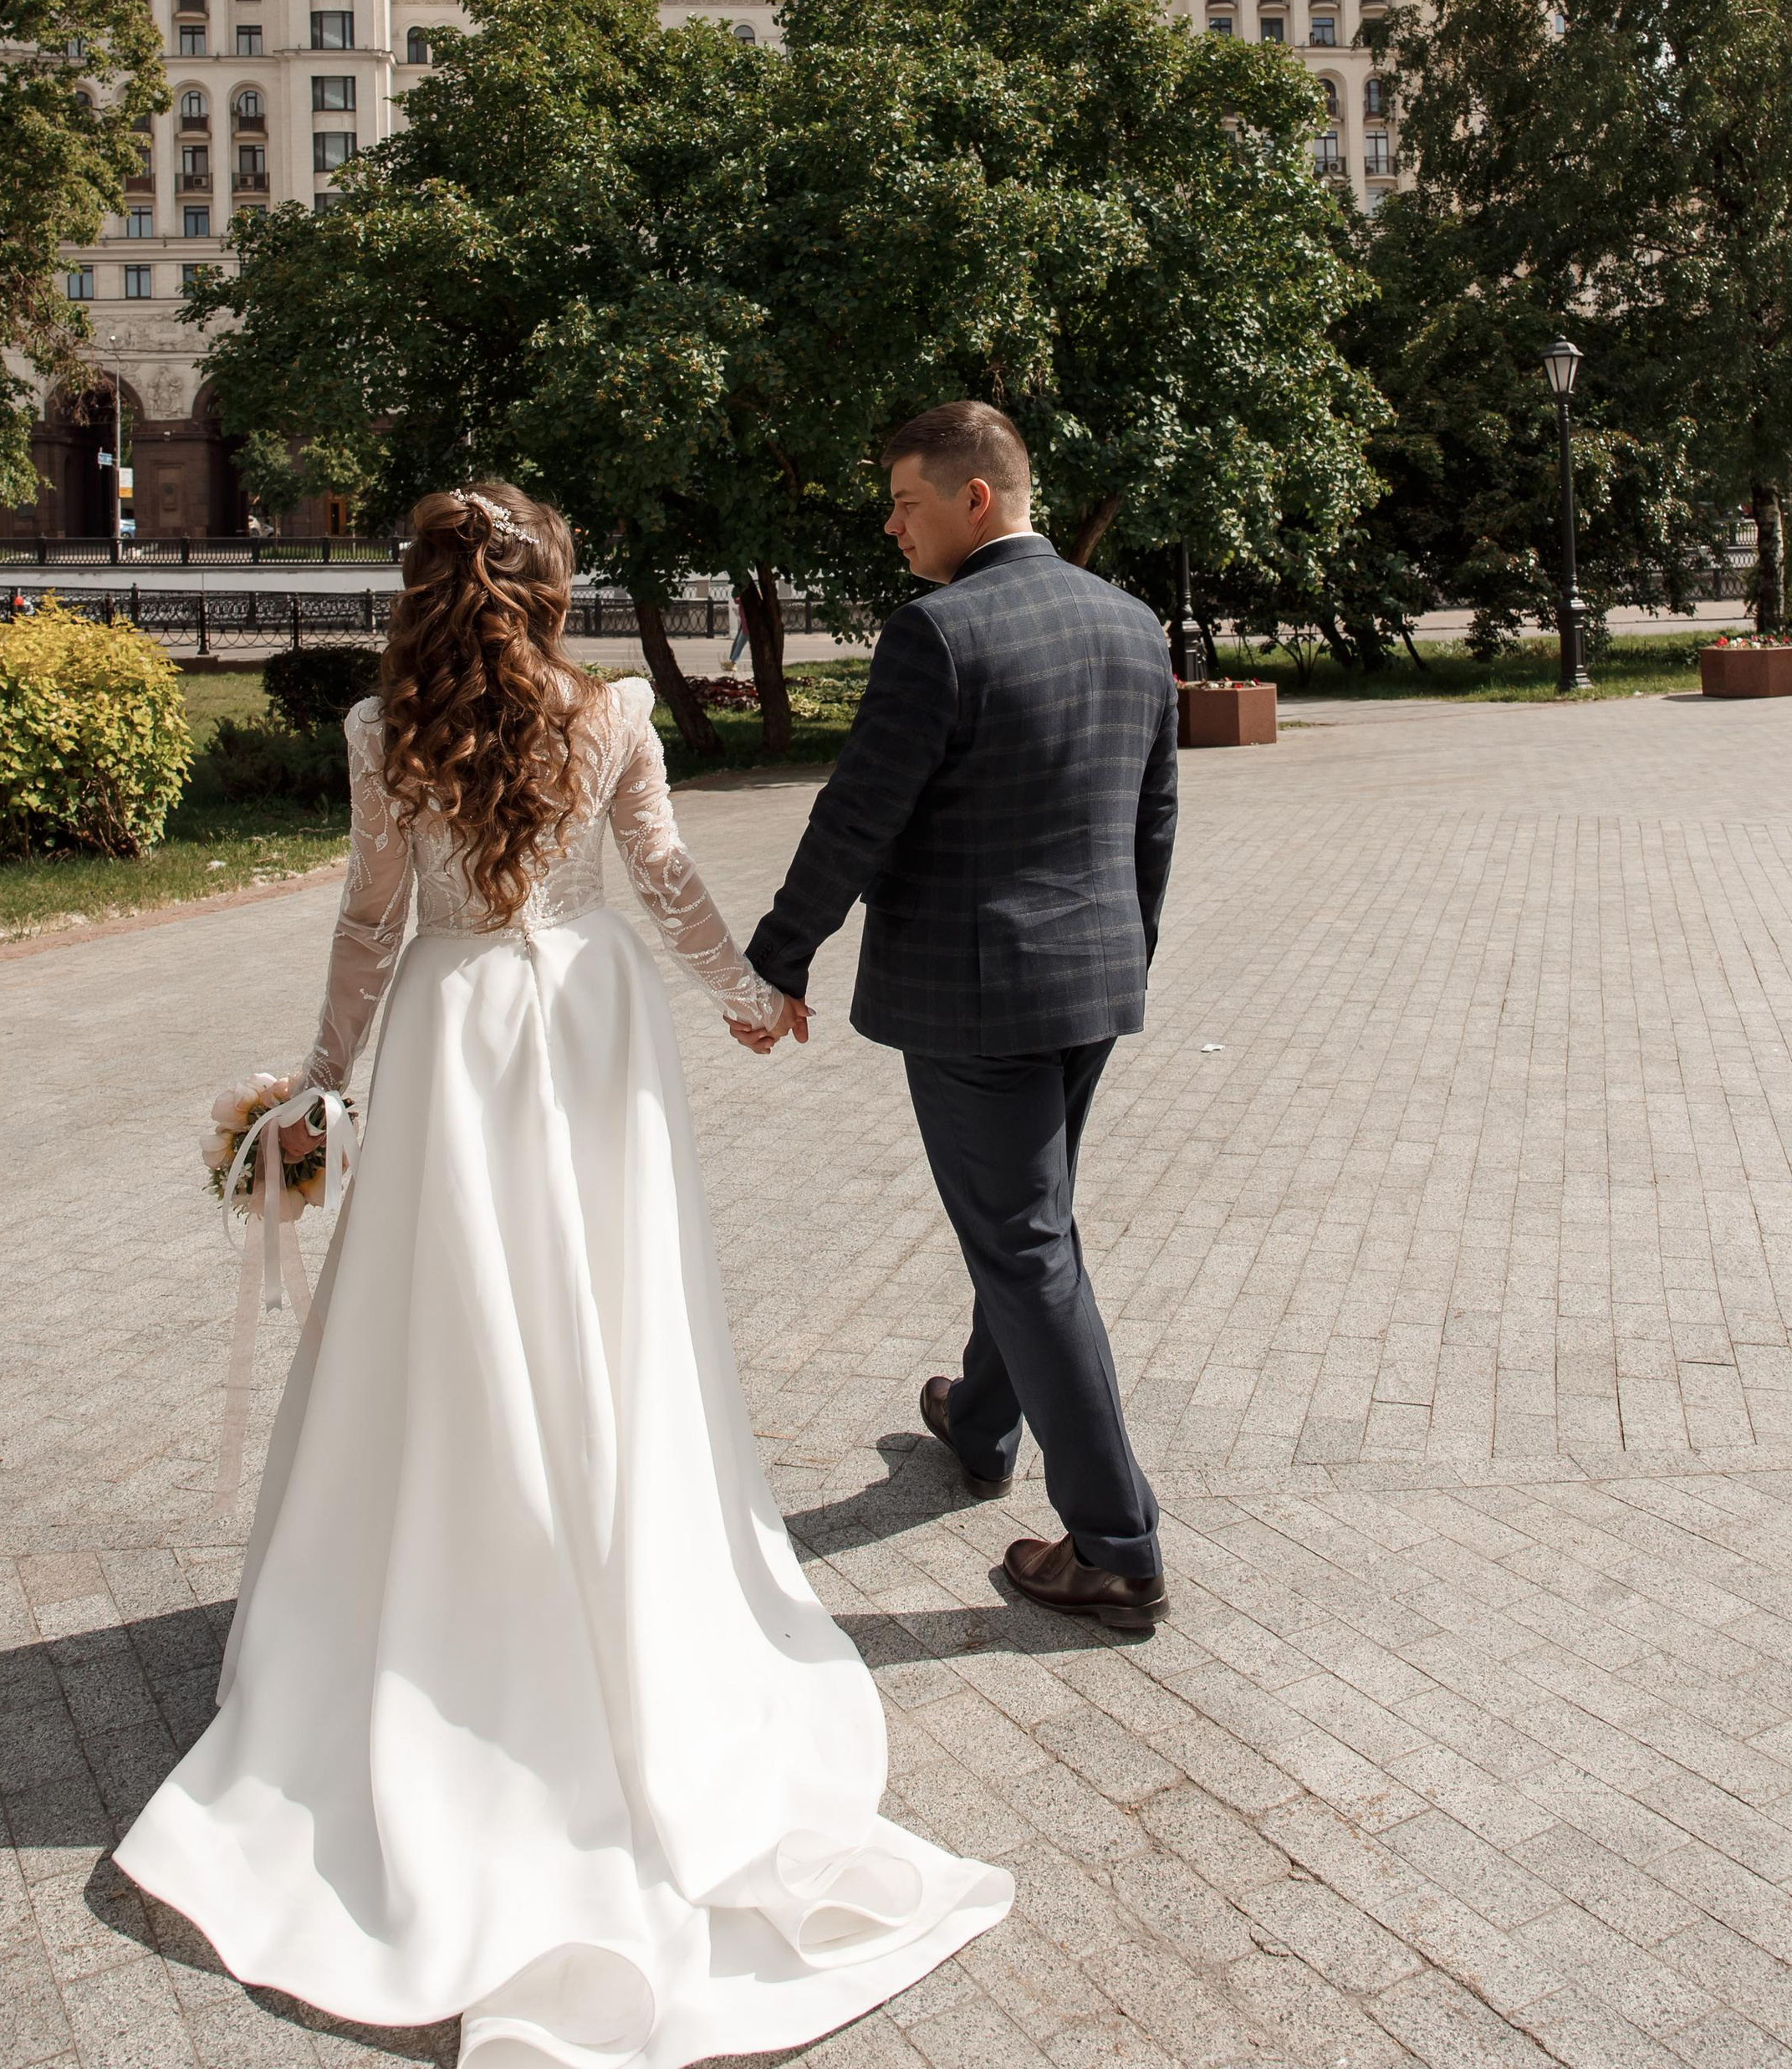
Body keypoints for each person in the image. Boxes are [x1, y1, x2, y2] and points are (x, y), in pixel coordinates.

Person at [117, 483, 1008, 2069]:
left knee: (454, 1327)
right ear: (550, 587)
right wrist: (747, 993)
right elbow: (658, 879)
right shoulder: (612, 716)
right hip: (594, 1032)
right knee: (616, 1317)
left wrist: (317, 1079)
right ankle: (606, 1560)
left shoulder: (384, 732)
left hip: (461, 1031)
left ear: (422, 593)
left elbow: (372, 927)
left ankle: (457, 1577)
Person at [747, 404, 1178, 1636]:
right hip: (1091, 983)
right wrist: (1120, 959)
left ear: (975, 499)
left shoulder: (936, 635)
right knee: (1027, 1228)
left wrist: (781, 957)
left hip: (975, 998)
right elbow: (1155, 822)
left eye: (906, 502)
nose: (891, 525)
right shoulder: (1132, 622)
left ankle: (1117, 1548)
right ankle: (982, 1421)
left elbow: (857, 816)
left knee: (1030, 1247)